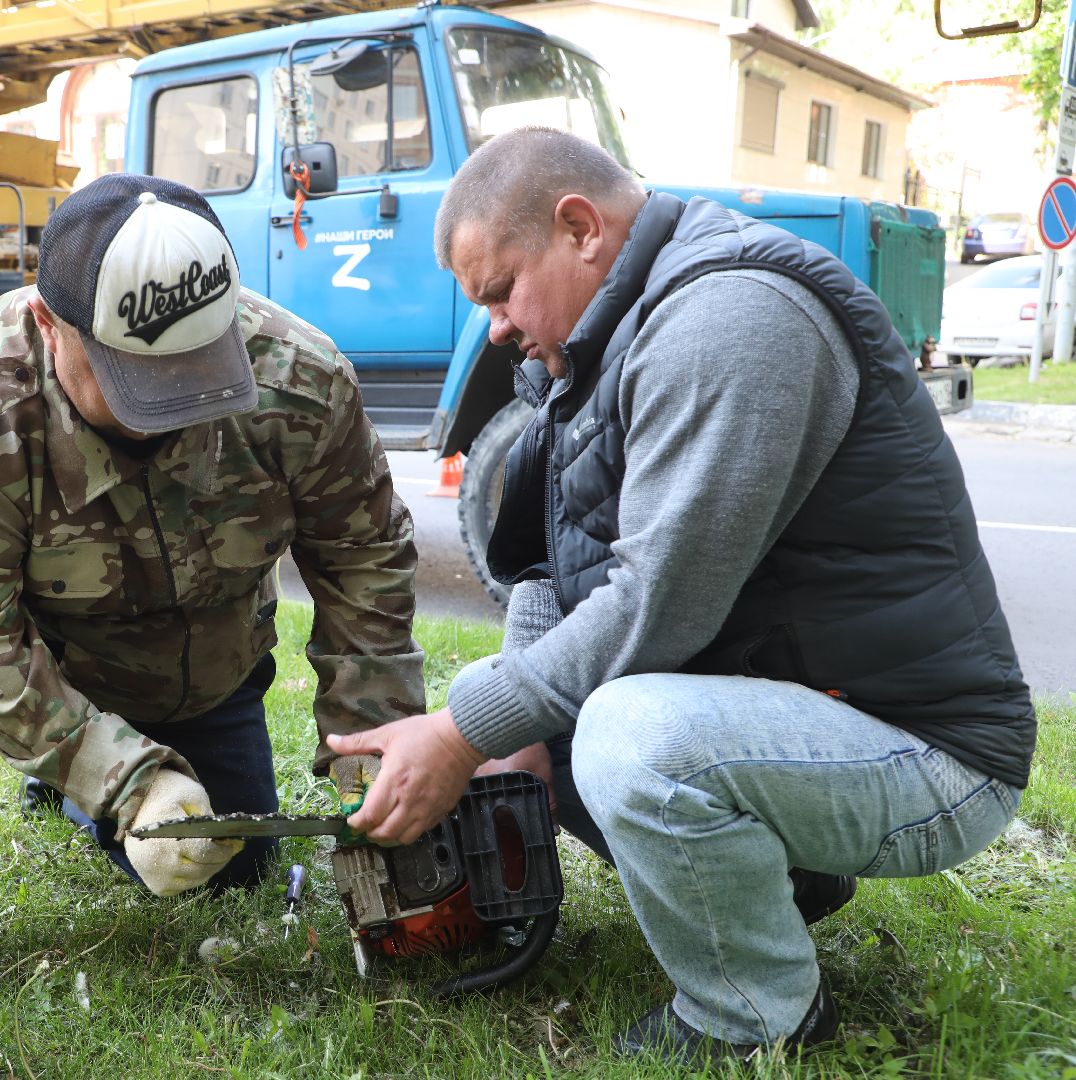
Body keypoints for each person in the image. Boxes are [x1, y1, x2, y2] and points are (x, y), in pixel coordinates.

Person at [327, 127, 1035, 1063]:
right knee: (539, 698)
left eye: (500, 291)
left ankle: (753, 1017)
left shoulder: (730, 318)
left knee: (628, 734)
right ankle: (781, 880)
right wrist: (516, 730)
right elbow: (549, 569)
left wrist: (465, 734)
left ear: (580, 227)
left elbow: (659, 606)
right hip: (809, 713)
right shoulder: (595, 347)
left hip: (930, 755)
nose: (493, 326)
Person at [0, 174, 424, 917]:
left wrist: (371, 743)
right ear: (47, 324)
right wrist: (129, 782)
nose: (171, 405)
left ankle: (73, 785)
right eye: (136, 376)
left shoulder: (301, 379)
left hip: (198, 675)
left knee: (222, 872)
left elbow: (362, 561)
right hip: (48, 655)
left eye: (197, 367)